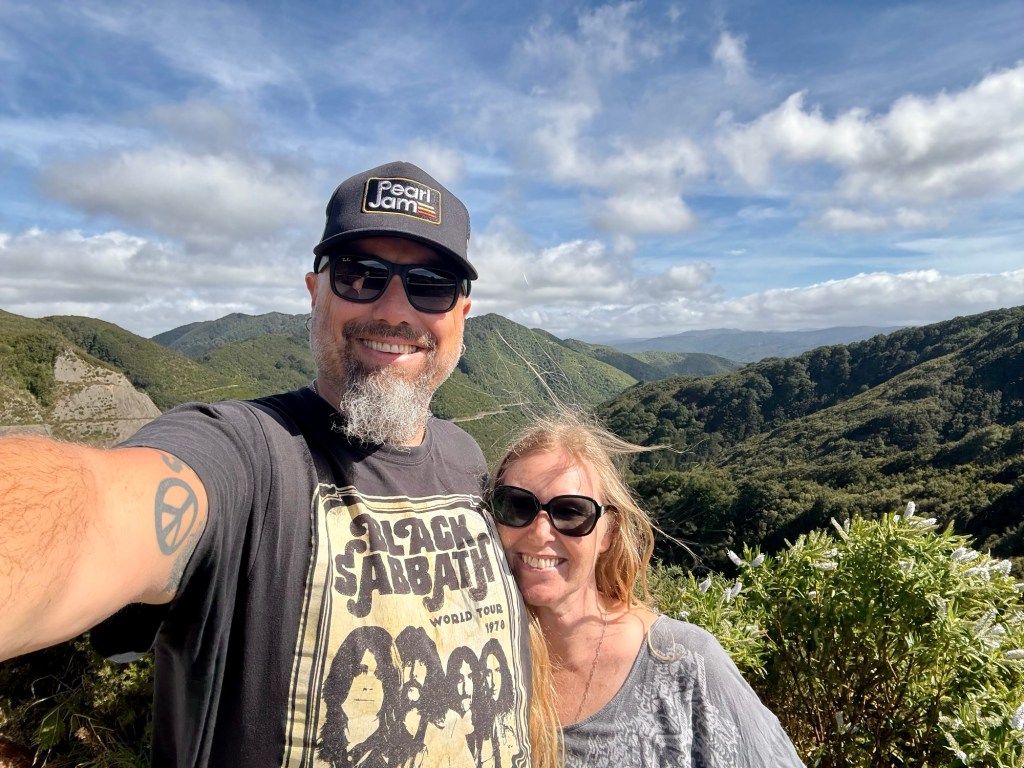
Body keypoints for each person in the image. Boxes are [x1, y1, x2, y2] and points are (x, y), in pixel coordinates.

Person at [0, 161, 533, 767]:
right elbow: (100, 511)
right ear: (315, 292)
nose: (393, 308)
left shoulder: (467, 460)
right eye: (359, 275)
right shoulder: (247, 453)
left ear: (462, 312)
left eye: (431, 285)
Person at [487, 411, 805, 768]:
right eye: (516, 505)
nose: (540, 531)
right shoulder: (474, 665)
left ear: (607, 533)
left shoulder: (686, 664)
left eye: (571, 512)